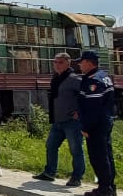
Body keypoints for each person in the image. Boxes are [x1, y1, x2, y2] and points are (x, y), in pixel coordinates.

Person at [34, 53, 86, 187]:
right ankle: (49, 172)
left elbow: (87, 95)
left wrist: (80, 112)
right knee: (50, 145)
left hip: (72, 122)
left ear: (68, 63)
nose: (57, 65)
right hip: (58, 121)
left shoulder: (74, 79)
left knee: (75, 149)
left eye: (60, 62)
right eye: (55, 62)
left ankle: (77, 177)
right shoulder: (56, 77)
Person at [77, 49, 117, 196]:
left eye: (81, 62)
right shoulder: (104, 76)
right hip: (106, 121)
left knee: (98, 156)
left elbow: (92, 108)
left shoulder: (93, 81)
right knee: (107, 154)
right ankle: (110, 186)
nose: (80, 65)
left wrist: (86, 127)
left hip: (96, 125)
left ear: (88, 62)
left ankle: (104, 188)